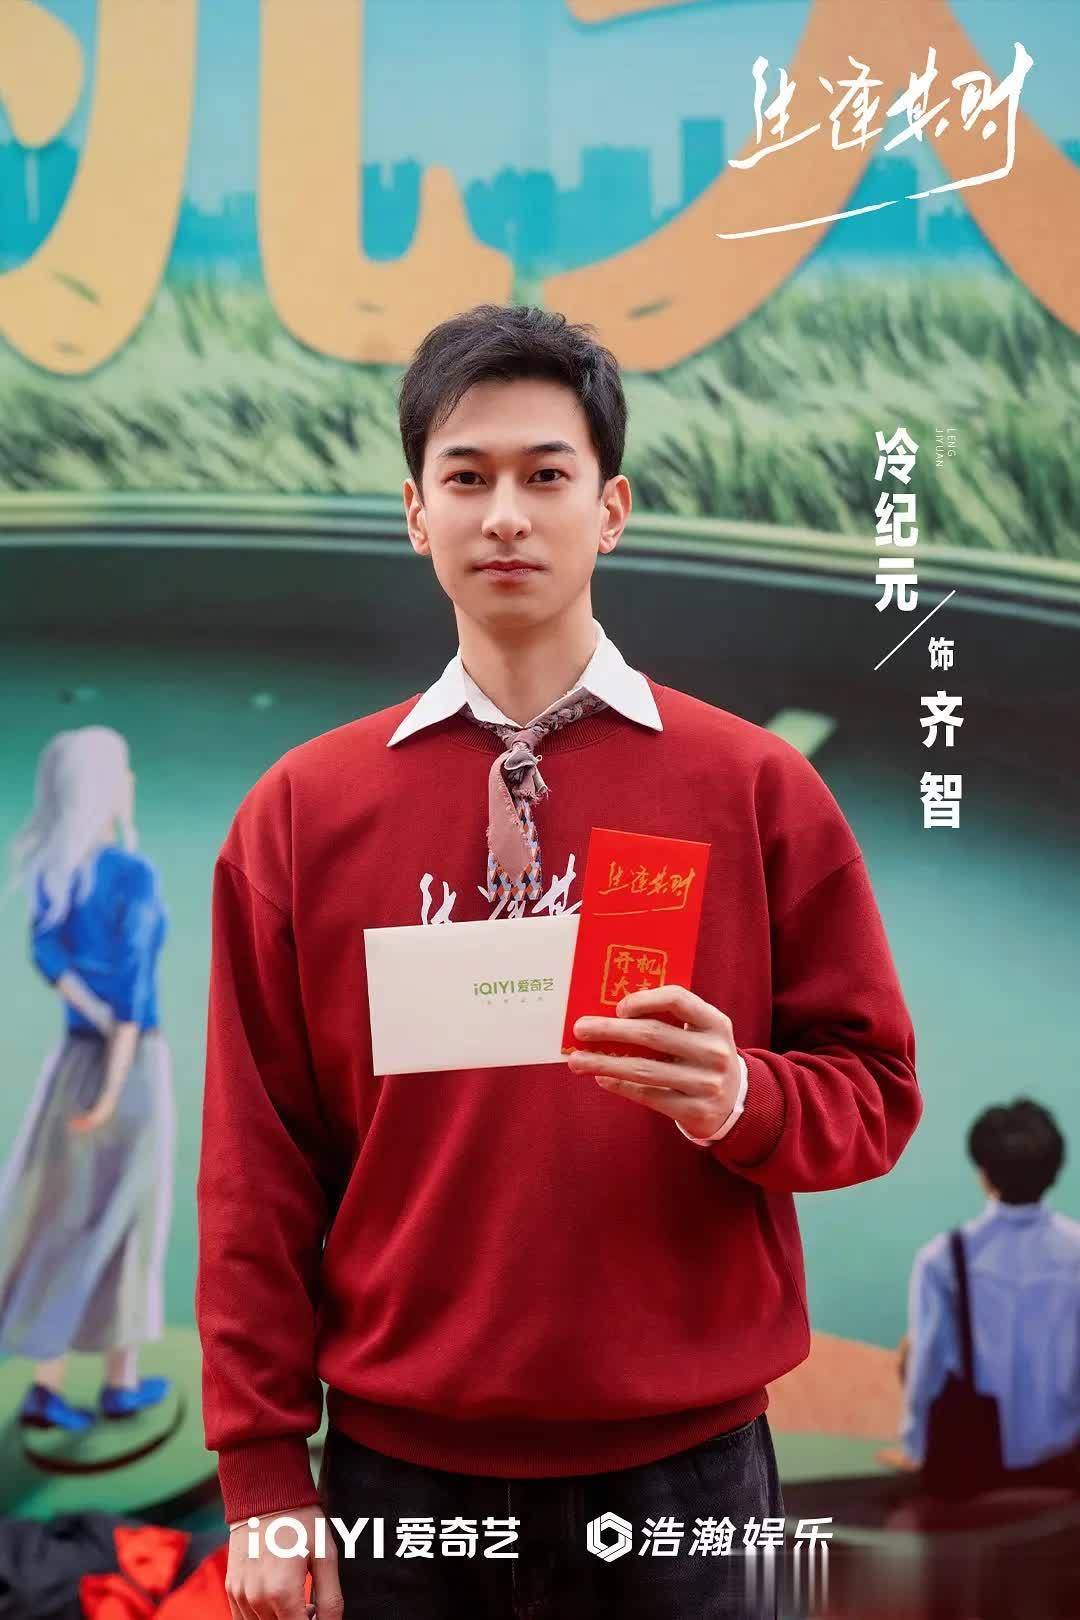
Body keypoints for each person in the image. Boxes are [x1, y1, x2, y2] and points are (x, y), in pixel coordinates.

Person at [197, 303, 923, 1619]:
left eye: (546, 475)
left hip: (689, 1483)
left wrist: (740, 1098)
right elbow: (259, 1167)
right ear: (415, 514)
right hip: (405, 1480)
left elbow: (875, 1095)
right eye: (466, 478)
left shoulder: (754, 786)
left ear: (613, 508)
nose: (506, 517)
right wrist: (262, 1476)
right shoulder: (301, 814)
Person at [0, 726, 176, 1428]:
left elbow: (49, 957)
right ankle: (88, 1387)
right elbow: (134, 991)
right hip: (128, 1071)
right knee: (125, 1217)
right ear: (104, 787)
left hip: (70, 1064)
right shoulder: (132, 874)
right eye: (122, 772)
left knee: (68, 1212)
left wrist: (92, 1016)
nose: (130, 783)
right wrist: (111, 1084)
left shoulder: (55, 873)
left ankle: (100, 1381)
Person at [893, 1098, 1080, 1490]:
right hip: (1068, 1452)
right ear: (1055, 1170)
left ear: (983, 1173)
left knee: (912, 1348)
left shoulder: (943, 1259)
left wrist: (916, 1446)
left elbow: (928, 1367)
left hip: (979, 1453)